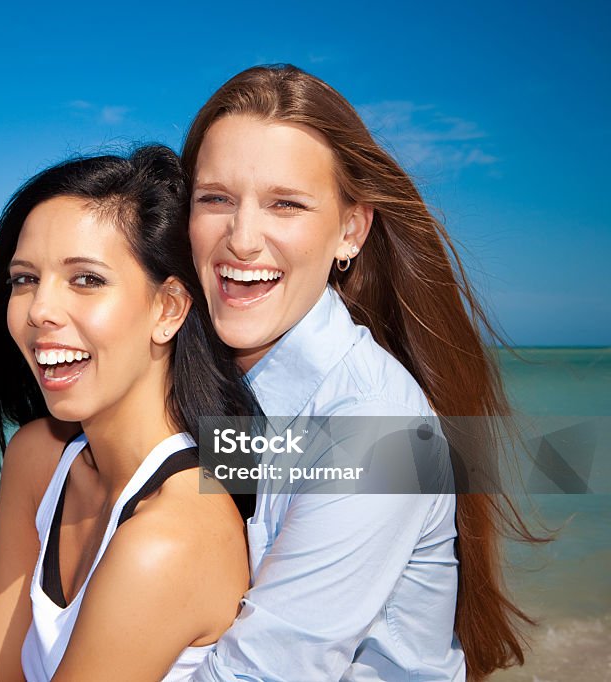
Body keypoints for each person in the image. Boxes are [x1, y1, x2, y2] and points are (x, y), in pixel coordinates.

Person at [181, 64, 537, 681]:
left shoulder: (375, 426)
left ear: (351, 229)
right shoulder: (204, 386)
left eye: (285, 204)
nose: (242, 239)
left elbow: (259, 675)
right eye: (216, 199)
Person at [0, 146, 262, 681]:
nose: (38, 310)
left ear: (167, 308)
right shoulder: (37, 456)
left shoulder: (172, 535)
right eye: (25, 279)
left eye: (86, 279)